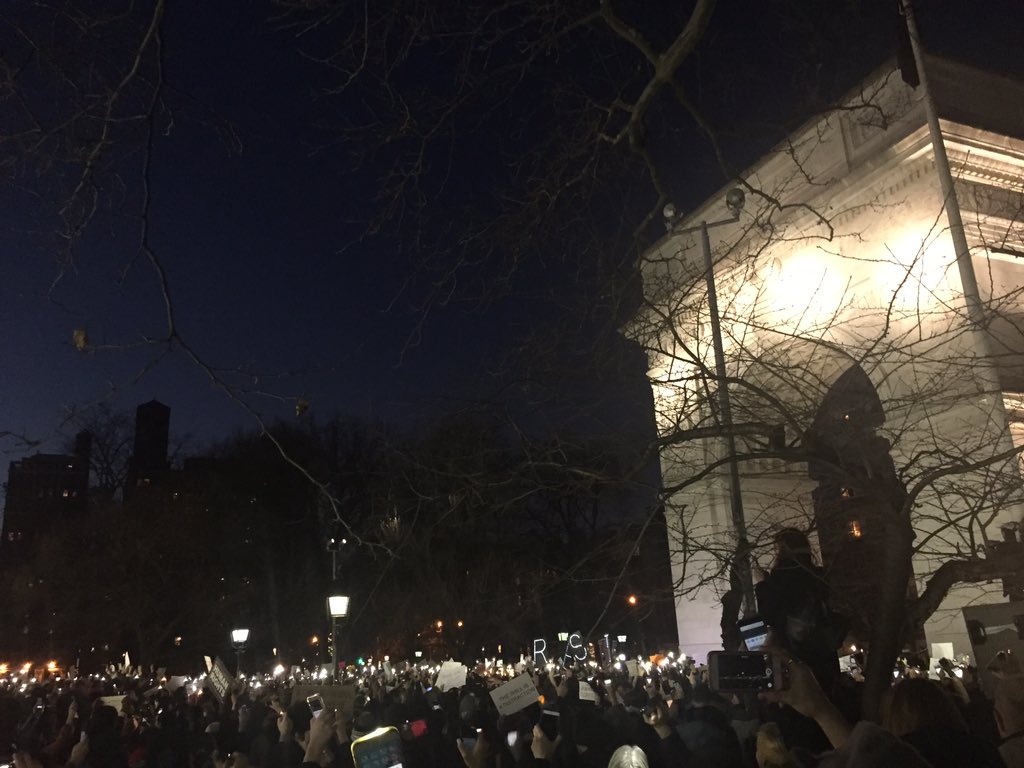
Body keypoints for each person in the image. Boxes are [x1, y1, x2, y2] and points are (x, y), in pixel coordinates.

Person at [755, 528, 843, 695]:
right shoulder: (819, 576)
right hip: (823, 652)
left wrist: (762, 584)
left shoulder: (780, 578)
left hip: (794, 653)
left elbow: (770, 615)